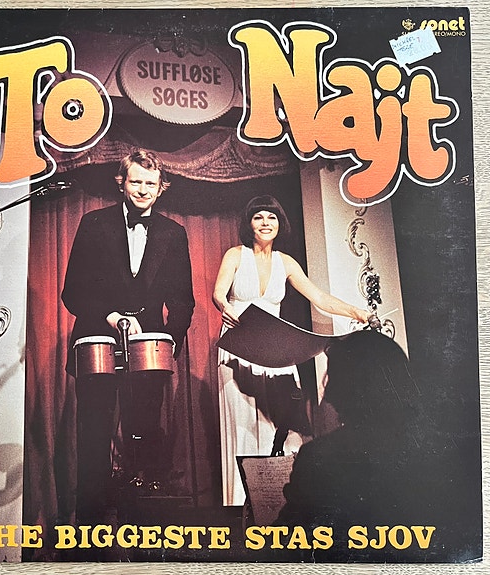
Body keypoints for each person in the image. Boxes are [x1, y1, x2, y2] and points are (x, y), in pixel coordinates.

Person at [62, 148, 194, 523]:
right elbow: (73, 291)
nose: (142, 189)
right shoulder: (93, 223)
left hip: (148, 353)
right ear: (122, 183)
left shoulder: (174, 233)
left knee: (144, 438)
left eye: (150, 183)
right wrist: (112, 317)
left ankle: (142, 531)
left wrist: (169, 343)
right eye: (136, 181)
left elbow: (183, 301)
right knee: (94, 437)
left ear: (161, 187)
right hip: (96, 344)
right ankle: (89, 532)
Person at [213, 195, 370, 506]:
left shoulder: (285, 262)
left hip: (277, 350)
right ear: (249, 224)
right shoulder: (235, 255)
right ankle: (241, 505)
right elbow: (219, 292)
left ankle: (280, 504)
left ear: (279, 223)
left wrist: (356, 311)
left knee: (284, 426)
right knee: (244, 425)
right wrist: (225, 307)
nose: (265, 223)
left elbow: (319, 298)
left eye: (271, 217)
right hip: (239, 348)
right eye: (258, 217)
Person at [275, 329, 474, 561]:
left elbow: (285, 542)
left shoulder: (318, 457)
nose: (327, 394)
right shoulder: (442, 452)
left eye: (333, 379)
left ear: (344, 390)